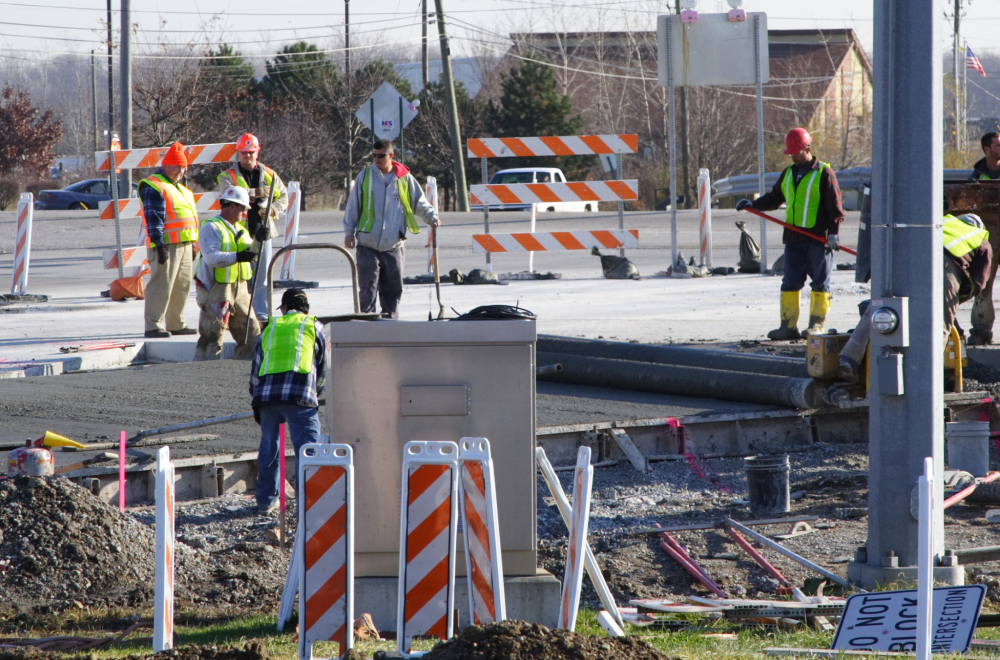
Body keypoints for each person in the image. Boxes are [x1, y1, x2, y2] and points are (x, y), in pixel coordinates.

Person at [839, 213, 993, 382]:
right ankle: (927, 375)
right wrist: (954, 299)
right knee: (940, 325)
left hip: (907, 262)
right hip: (944, 267)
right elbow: (979, 283)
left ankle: (849, 358)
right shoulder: (980, 237)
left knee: (880, 309)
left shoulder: (944, 222)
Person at [736, 127, 846, 340]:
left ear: (807, 149)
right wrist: (754, 204)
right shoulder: (788, 174)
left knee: (820, 283)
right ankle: (787, 326)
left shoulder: (824, 173)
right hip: (794, 239)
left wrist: (833, 233)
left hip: (818, 239)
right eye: (791, 154)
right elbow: (774, 198)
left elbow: (836, 208)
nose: (793, 157)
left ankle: (817, 325)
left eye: (797, 153)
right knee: (790, 282)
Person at [343, 138, 440, 318]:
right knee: (367, 287)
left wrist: (431, 216)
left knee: (393, 288)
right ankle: (367, 322)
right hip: (367, 244)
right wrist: (349, 233)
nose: (377, 159)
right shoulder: (365, 176)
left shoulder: (404, 179)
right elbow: (353, 206)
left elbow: (419, 202)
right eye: (374, 155)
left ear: (391, 155)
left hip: (394, 244)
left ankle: (389, 322)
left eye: (381, 156)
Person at [249, 287, 325, 515]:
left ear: (284, 309)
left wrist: (257, 398)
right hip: (300, 397)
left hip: (267, 398)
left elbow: (255, 371)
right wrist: (316, 394)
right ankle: (308, 506)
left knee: (269, 448)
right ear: (306, 307)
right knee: (308, 451)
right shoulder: (314, 326)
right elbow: (322, 368)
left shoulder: (270, 328)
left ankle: (265, 502)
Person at [217, 133, 288, 325]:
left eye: (251, 152)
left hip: (262, 232)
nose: (247, 156)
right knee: (237, 276)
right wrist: (257, 193)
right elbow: (228, 197)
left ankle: (260, 315)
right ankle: (236, 314)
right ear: (238, 153)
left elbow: (283, 196)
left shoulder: (270, 174)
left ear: (257, 151)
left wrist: (272, 209)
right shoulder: (228, 176)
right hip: (238, 235)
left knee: (261, 277)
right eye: (243, 152)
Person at [193, 186, 261, 360]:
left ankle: (242, 370)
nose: (244, 212)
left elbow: (250, 254)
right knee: (213, 335)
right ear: (232, 206)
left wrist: (259, 239)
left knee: (251, 332)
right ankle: (204, 374)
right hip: (216, 289)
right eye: (243, 208)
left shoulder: (241, 229)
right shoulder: (211, 228)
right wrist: (239, 256)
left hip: (240, 288)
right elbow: (212, 258)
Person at [140, 142, 199, 338]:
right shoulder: (154, 186)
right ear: (165, 165)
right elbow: (153, 216)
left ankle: (176, 323)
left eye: (183, 167)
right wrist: (159, 245)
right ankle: (153, 325)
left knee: (182, 286)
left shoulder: (181, 189)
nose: (180, 171)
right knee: (161, 285)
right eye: (176, 166)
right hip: (166, 245)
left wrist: (193, 244)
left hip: (184, 244)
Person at [966, 132, 1000, 345]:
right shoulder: (976, 177)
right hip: (988, 236)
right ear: (987, 149)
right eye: (998, 144)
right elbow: (968, 206)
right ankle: (980, 330)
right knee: (983, 284)